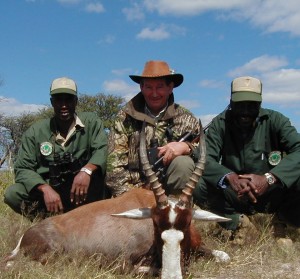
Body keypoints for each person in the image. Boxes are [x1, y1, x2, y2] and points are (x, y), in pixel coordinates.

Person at [193, 76, 300, 240]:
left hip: (272, 191)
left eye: (252, 105)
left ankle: (282, 220)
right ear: (231, 101)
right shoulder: (220, 123)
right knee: (198, 186)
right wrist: (229, 177)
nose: (245, 111)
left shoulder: (276, 120)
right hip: (236, 193)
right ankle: (238, 223)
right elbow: (204, 158)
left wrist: (270, 178)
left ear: (260, 103)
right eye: (240, 104)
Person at [4, 77, 108, 220]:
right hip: (52, 194)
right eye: (59, 99)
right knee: (13, 193)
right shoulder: (35, 132)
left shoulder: (91, 122)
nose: (63, 105)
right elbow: (22, 168)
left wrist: (86, 170)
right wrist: (45, 189)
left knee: (106, 183)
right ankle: (47, 224)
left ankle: (92, 221)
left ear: (76, 101)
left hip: (83, 192)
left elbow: (101, 150)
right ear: (52, 102)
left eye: (69, 99)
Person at [106, 60, 201, 197]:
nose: (154, 93)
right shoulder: (124, 117)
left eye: (160, 87)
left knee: (183, 163)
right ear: (141, 87)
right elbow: (113, 169)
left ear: (170, 88)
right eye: (149, 87)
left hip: (171, 197)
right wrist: (135, 198)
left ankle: (178, 213)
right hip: (133, 195)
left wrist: (187, 147)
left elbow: (206, 155)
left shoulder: (187, 119)